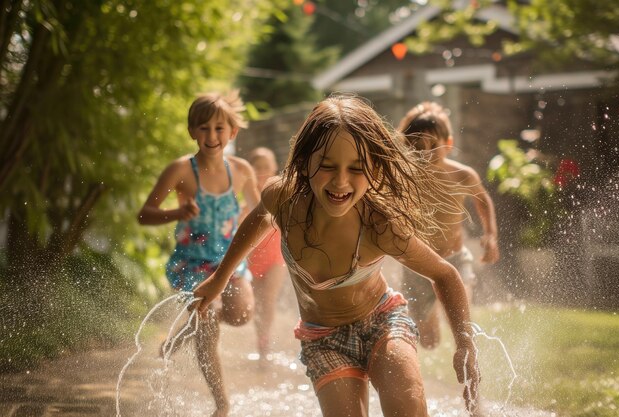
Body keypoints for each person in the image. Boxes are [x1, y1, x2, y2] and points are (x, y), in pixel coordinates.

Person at [193, 94, 481, 417]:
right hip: (322, 337)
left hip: (382, 322)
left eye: (356, 169)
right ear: (305, 162)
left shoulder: (379, 225)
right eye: (327, 166)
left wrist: (465, 343)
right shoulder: (285, 200)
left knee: (407, 404)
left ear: (373, 168)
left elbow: (445, 274)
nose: (341, 181)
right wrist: (219, 279)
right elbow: (258, 219)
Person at [137, 91, 259, 417]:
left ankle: (180, 334)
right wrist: (176, 214)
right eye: (203, 128)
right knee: (208, 324)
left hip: (230, 263)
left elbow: (261, 214)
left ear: (232, 133)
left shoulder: (242, 170)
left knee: (240, 314)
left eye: (220, 129)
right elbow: (144, 214)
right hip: (192, 264)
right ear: (193, 131)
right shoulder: (181, 170)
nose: (212, 136)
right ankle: (222, 405)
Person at [397, 101, 499, 350]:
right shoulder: (406, 177)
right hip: (417, 265)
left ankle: (468, 370)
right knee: (429, 341)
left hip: (454, 259)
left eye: (433, 146)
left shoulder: (462, 175)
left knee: (462, 329)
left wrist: (491, 235)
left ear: (448, 144)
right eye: (416, 147)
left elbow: (483, 201)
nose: (425, 153)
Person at [245, 147, 287, 359]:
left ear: (274, 168)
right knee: (256, 302)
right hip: (252, 258)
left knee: (268, 299)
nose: (262, 170)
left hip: (275, 257)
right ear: (251, 169)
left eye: (266, 166)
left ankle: (265, 341)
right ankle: (259, 335)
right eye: (257, 166)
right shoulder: (247, 193)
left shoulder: (280, 192)